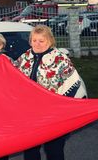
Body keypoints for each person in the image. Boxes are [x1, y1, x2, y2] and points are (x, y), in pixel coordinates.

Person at [14, 25, 87, 160]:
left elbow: (73, 83)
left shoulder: (60, 58)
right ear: (30, 41)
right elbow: (11, 74)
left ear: (50, 41)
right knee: (30, 148)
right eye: (34, 40)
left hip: (54, 114)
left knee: (54, 149)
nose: (37, 44)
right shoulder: (25, 57)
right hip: (29, 113)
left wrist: (62, 106)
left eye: (42, 41)